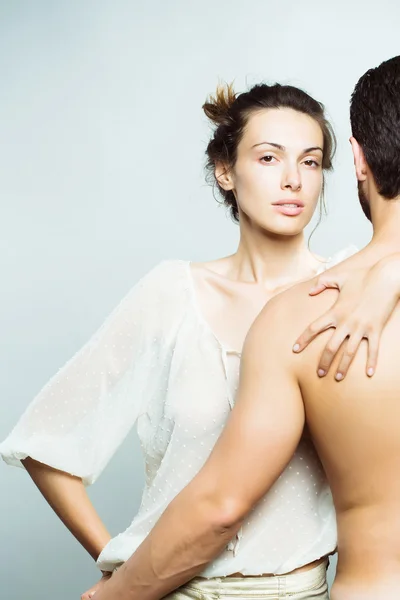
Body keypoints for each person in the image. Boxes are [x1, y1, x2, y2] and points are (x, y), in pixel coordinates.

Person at [0, 80, 397, 600]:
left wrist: (390, 277)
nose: (292, 181)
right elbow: (44, 443)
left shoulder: (347, 286)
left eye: (309, 162)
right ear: (225, 170)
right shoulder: (172, 293)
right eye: (269, 157)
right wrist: (122, 567)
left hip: (301, 590)